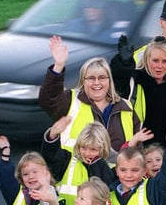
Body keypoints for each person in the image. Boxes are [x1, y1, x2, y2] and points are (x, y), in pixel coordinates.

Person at [38, 35, 140, 164]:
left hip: (116, 181)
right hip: (80, 180)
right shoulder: (71, 101)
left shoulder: (126, 107)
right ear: (83, 81)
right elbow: (48, 99)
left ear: (109, 81)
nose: (97, 83)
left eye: (102, 77)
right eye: (91, 78)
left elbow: (137, 147)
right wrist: (58, 66)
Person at [41, 118, 115, 205]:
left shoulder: (110, 169)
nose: (87, 153)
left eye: (93, 150)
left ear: (103, 149)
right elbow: (51, 156)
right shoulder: (67, 160)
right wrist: (52, 134)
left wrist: (97, 164)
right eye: (84, 148)